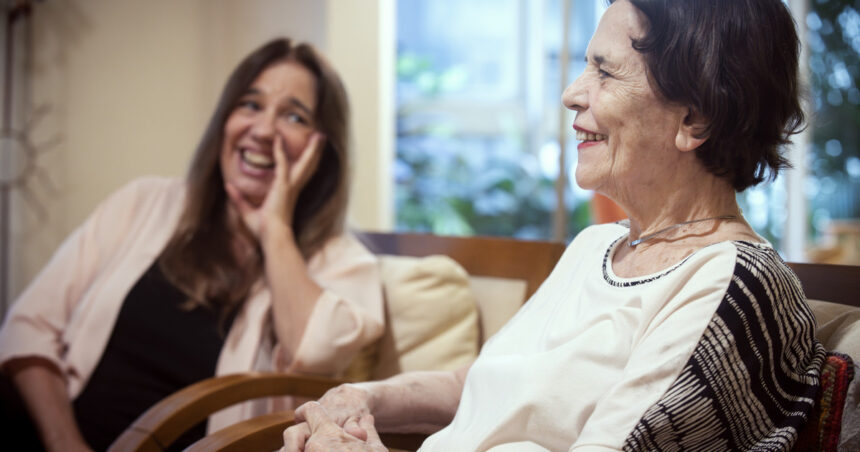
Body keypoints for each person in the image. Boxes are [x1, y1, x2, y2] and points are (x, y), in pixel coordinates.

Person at [282, 0, 827, 450]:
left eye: (604, 71)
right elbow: (480, 385)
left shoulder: (732, 285)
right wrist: (362, 399)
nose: (571, 92)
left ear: (696, 119)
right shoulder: (598, 245)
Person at [0, 37, 385, 451]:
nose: (263, 130)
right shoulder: (144, 201)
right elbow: (29, 326)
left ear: (322, 149)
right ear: (225, 119)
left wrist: (275, 227)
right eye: (250, 105)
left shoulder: (343, 260)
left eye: (294, 116)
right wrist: (64, 443)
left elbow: (315, 353)